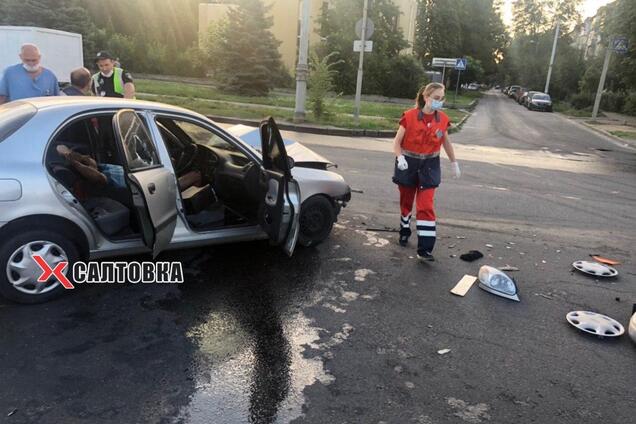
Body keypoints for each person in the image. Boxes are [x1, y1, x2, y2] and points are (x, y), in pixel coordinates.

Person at [392, 82, 460, 262]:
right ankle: (404, 228)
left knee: (426, 206)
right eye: (436, 98)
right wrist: (400, 158)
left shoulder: (443, 120)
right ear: (426, 97)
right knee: (406, 203)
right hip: (408, 164)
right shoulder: (410, 116)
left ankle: (425, 249)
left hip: (430, 166)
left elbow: (445, 142)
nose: (440, 101)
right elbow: (396, 142)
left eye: (442, 98)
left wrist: (454, 162)